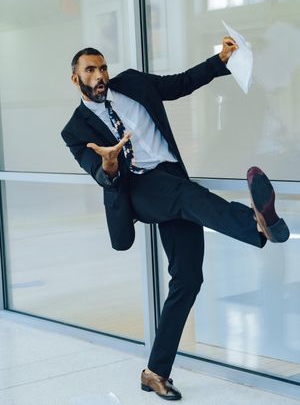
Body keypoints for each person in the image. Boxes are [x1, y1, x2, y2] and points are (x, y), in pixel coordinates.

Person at [61, 39, 289, 401]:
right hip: (136, 187)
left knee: (187, 278)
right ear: (75, 80)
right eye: (90, 70)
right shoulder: (75, 130)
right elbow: (99, 173)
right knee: (186, 196)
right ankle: (258, 225)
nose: (100, 75)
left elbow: (180, 83)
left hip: (170, 176)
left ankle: (154, 372)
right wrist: (107, 164)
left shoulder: (132, 83)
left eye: (102, 67)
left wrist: (221, 60)